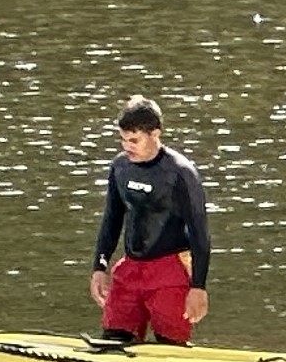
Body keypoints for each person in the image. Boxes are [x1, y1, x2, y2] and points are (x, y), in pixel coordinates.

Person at [89, 95, 211, 346]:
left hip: (170, 271)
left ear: (155, 134)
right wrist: (99, 267)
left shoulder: (180, 173)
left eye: (134, 140)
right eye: (123, 140)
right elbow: (111, 220)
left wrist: (198, 286)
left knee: (170, 346)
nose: (127, 146)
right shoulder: (120, 168)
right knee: (114, 342)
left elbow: (200, 234)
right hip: (131, 269)